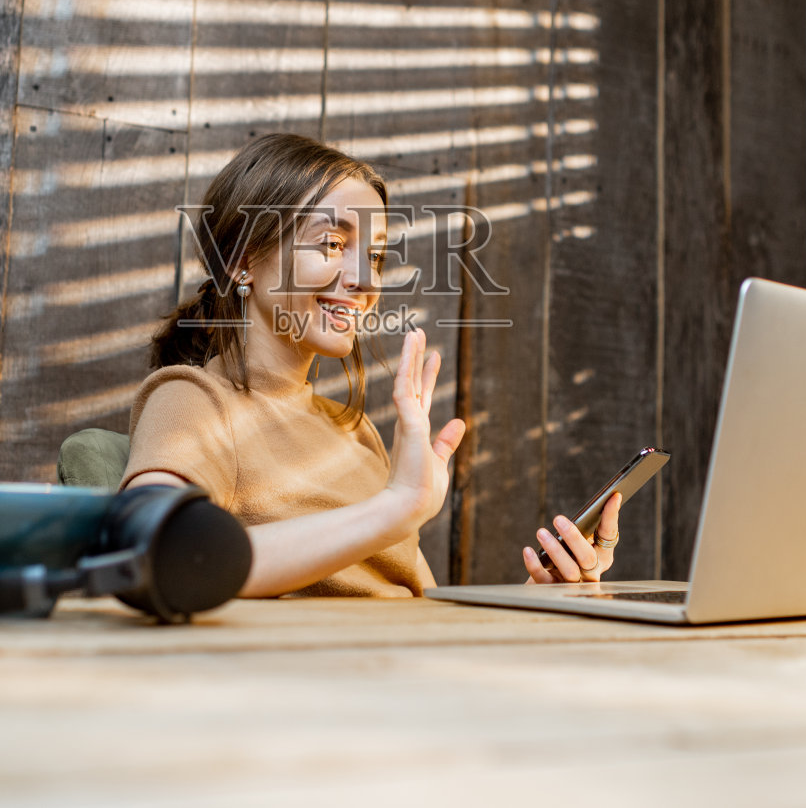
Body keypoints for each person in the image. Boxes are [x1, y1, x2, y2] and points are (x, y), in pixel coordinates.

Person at [122, 133, 621, 597]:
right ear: (241, 261)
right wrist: (398, 505)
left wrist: (548, 594)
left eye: (376, 257)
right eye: (333, 244)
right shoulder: (192, 399)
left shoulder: (355, 433)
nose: (366, 280)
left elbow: (414, 608)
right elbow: (161, 554)